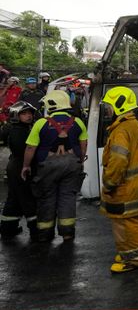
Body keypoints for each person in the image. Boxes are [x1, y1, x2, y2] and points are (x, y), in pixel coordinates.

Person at [21, 90, 87, 242]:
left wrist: (26, 166)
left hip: (47, 167)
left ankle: (45, 233)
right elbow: (83, 144)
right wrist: (81, 161)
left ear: (50, 105)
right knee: (68, 197)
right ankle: (67, 233)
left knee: (46, 197)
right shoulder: (78, 122)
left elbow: (30, 148)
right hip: (72, 165)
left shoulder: (41, 123)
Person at [99, 86, 138, 273]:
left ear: (119, 106)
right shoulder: (136, 126)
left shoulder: (121, 130)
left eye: (109, 106)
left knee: (125, 225)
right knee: (134, 222)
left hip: (124, 188)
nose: (108, 110)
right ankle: (130, 253)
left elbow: (118, 161)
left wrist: (109, 183)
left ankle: (133, 260)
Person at [0, 101, 37, 241]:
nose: (28, 116)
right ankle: (36, 231)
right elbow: (25, 150)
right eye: (24, 113)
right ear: (16, 115)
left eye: (30, 113)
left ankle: (7, 228)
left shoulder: (20, 128)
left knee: (14, 199)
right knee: (27, 198)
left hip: (15, 166)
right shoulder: (19, 131)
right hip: (21, 166)